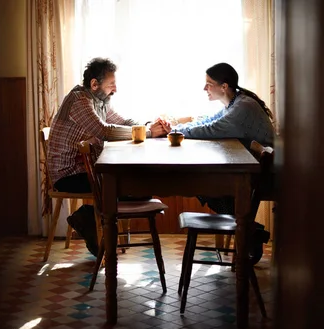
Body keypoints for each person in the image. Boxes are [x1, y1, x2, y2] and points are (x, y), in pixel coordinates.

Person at [46, 57, 169, 256]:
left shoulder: (99, 101)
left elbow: (123, 122)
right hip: (68, 176)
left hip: (87, 170)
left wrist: (148, 125)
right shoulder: (79, 100)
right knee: (132, 188)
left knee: (141, 189)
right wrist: (146, 133)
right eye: (111, 84)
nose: (115, 89)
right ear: (94, 84)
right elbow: (105, 131)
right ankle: (88, 219)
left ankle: (89, 218)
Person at [160, 62, 275, 260]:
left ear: (224, 86)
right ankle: (247, 228)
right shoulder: (236, 102)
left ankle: (248, 228)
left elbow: (212, 129)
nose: (205, 88)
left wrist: (175, 131)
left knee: (199, 180)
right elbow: (207, 122)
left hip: (263, 178)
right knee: (201, 181)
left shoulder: (243, 106)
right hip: (251, 170)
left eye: (209, 83)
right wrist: (177, 127)